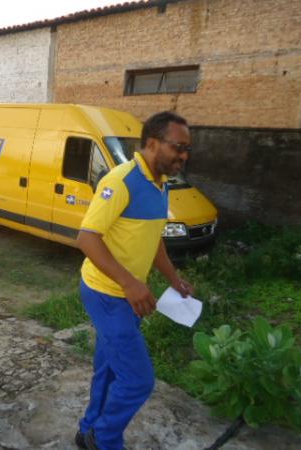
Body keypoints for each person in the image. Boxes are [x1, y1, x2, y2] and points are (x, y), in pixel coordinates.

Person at [75, 111, 195, 450]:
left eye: (187, 149)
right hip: (106, 294)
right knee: (138, 381)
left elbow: (154, 239)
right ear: (153, 143)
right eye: (178, 147)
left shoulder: (161, 185)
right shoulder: (120, 180)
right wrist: (130, 283)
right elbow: (87, 238)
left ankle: (88, 431)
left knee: (110, 369)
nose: (184, 155)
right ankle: (105, 439)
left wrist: (173, 279)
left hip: (127, 298)